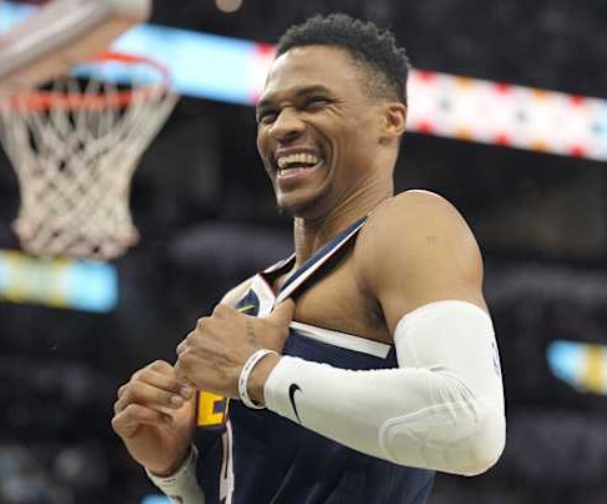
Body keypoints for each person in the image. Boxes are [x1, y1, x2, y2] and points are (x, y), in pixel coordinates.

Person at [111, 13, 506, 504]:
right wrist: (176, 468)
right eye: (268, 114)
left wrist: (258, 373)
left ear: (389, 120)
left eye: (314, 103)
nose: (283, 127)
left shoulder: (409, 226)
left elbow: (472, 428)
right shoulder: (243, 300)